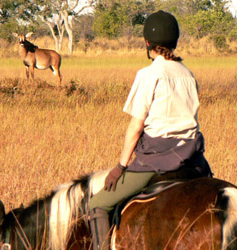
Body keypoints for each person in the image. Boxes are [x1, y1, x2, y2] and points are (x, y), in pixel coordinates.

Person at [88, 10, 212, 250]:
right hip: (193, 158)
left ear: (147, 43)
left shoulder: (149, 74)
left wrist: (121, 166)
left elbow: (136, 126)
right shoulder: (188, 74)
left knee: (98, 204)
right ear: (175, 42)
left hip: (158, 159)